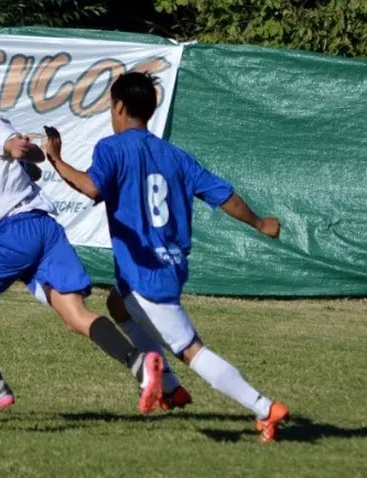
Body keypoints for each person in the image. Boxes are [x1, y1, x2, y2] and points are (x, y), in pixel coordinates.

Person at [44, 71, 289, 442]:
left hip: (146, 275)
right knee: (118, 304)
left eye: (112, 106)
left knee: (191, 350)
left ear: (120, 107)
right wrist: (259, 222)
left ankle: (264, 408)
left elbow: (92, 188)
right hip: (168, 264)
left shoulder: (112, 148)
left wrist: (56, 159)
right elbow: (224, 196)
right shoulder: (175, 155)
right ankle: (172, 389)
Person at [0, 58, 165, 415]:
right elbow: (24, 152)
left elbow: (8, 142)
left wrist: (15, 148)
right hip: (45, 227)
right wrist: (24, 153)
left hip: (13, 228)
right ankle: (139, 364)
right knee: (75, 315)